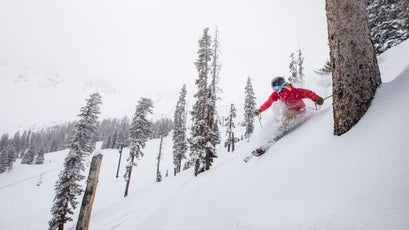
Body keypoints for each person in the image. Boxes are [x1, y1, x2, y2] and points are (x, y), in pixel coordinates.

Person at [254, 76, 324, 131]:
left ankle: (283, 130)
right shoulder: (277, 94)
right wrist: (260, 110)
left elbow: (307, 93)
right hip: (290, 109)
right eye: (274, 88)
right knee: (281, 115)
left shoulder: (294, 91)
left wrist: (316, 98)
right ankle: (280, 128)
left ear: (282, 85)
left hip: (300, 110)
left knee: (288, 115)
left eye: (276, 88)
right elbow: (268, 102)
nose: (276, 90)